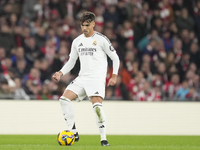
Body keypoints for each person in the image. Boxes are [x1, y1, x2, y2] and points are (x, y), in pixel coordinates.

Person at [52, 11, 120, 146]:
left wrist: (114, 76)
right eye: (82, 25)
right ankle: (73, 131)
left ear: (93, 24)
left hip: (96, 79)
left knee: (97, 108)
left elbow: (115, 57)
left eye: (87, 25)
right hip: (82, 78)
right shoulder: (77, 41)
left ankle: (103, 138)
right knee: (64, 100)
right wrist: (60, 73)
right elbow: (71, 61)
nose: (84, 28)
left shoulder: (101, 39)